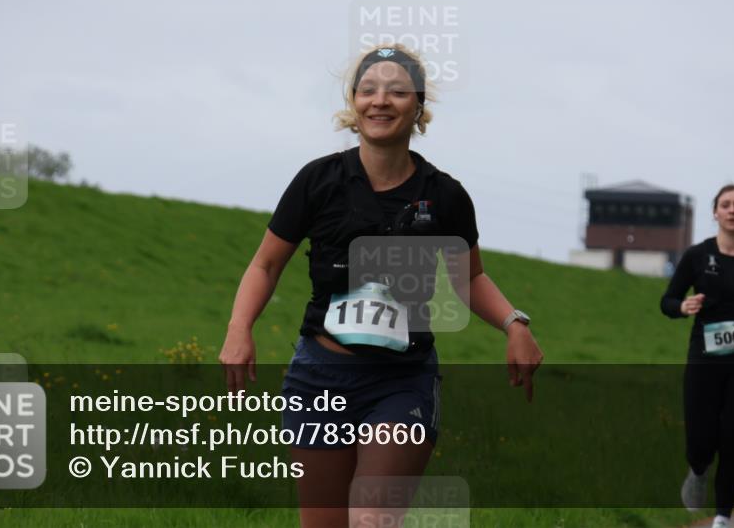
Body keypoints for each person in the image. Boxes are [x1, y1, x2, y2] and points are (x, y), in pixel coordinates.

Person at [218, 44, 544, 528]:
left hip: (401, 379)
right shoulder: (318, 181)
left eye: (396, 91)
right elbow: (265, 265)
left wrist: (514, 324)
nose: (380, 101)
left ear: (417, 106)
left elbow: (470, 277)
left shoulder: (445, 196)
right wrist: (239, 327)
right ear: (353, 102)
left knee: (372, 519)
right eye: (368, 90)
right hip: (319, 378)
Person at [660, 184, 734, 528]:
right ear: (715, 212)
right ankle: (698, 470)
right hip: (705, 357)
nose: (732, 210)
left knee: (733, 437)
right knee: (701, 439)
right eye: (725, 205)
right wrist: (682, 306)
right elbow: (667, 301)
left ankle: (722, 517)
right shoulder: (697, 256)